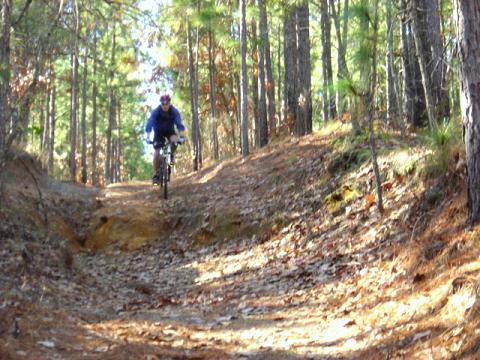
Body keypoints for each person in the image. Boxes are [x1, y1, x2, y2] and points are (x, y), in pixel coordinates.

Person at [145, 94, 185, 183]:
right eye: (163, 104)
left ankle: (170, 156)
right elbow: (150, 123)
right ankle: (156, 175)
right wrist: (148, 137)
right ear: (161, 104)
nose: (165, 106)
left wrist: (181, 136)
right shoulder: (156, 111)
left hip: (169, 131)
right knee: (156, 153)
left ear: (169, 103)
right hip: (158, 132)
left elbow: (179, 123)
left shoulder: (174, 111)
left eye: (167, 104)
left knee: (175, 141)